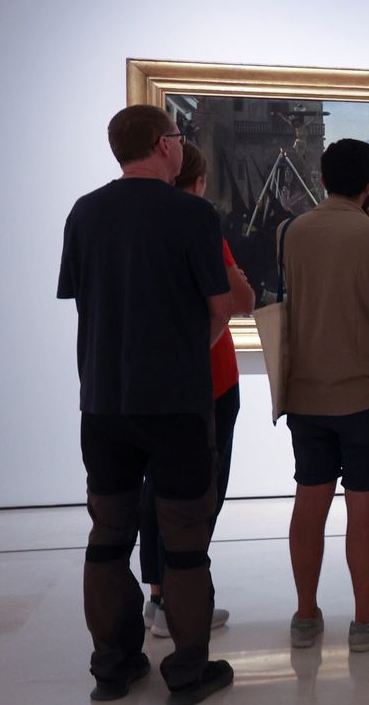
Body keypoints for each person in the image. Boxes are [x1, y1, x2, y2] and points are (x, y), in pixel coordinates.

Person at [60, 108, 234, 704]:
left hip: (104, 399)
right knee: (184, 538)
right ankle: (187, 671)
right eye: (180, 139)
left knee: (108, 531)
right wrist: (187, 354)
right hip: (178, 403)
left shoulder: (85, 212)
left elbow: (86, 299)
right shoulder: (191, 214)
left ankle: (113, 666)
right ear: (165, 146)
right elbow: (221, 307)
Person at [279, 138, 369, 653]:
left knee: (308, 501)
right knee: (363, 508)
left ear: (321, 180)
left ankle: (305, 615)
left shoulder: (292, 231)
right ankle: (365, 622)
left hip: (306, 394)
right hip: (367, 393)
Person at [137, 143, 254, 639]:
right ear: (200, 182)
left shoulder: (140, 225)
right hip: (208, 378)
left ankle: (159, 596)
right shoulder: (198, 222)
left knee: (155, 487)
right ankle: (182, 603)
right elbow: (240, 300)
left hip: (149, 376)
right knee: (201, 490)